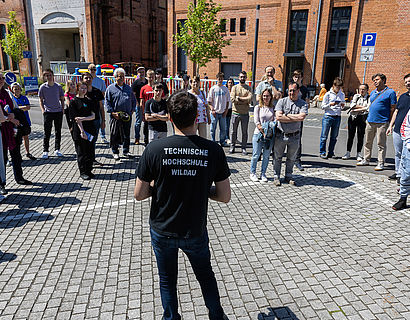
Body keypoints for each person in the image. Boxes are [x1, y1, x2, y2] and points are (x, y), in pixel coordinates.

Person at [134, 90, 231, 320]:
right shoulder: (212, 150)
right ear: (197, 116)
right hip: (194, 230)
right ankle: (217, 316)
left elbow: (139, 194)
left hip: (163, 228)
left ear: (169, 116)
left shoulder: (154, 150)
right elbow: (224, 196)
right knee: (205, 276)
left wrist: (159, 186)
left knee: (167, 280)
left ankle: (171, 318)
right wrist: (203, 189)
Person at [357, 73, 397, 170]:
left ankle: (380, 162)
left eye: (377, 80)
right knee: (367, 142)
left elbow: (393, 108)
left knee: (381, 143)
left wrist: (390, 122)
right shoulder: (373, 93)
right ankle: (366, 159)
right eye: (374, 80)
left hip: (382, 122)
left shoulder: (390, 92)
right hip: (370, 121)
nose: (375, 82)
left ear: (383, 80)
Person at [0, 72, 32, 189]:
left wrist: (12, 115)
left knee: (16, 155)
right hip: (1, 129)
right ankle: (1, 184)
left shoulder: (6, 93)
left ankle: (19, 178)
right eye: (0, 78)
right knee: (2, 158)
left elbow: (14, 108)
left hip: (11, 129)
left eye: (2, 78)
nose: (1, 80)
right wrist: (9, 117)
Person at [274, 81, 308, 186]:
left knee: (291, 158)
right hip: (281, 135)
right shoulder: (282, 101)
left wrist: (286, 116)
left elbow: (301, 117)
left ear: (298, 91)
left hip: (294, 136)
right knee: (277, 157)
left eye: (294, 90)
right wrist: (294, 117)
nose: (291, 92)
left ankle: (288, 176)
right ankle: (276, 176)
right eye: (290, 90)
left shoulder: (303, 104)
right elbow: (278, 117)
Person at [105, 68, 136, 160]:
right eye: (119, 76)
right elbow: (107, 101)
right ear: (115, 77)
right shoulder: (110, 88)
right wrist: (112, 112)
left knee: (126, 134)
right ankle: (115, 151)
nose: (121, 78)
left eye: (123, 76)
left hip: (127, 115)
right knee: (115, 134)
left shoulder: (128, 88)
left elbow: (133, 100)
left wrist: (133, 110)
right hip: (115, 116)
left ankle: (126, 151)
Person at [68, 81, 96, 180]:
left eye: (85, 88)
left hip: (90, 129)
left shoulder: (89, 100)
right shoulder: (73, 102)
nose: (83, 90)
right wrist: (82, 131)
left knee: (89, 151)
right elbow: (76, 119)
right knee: (81, 152)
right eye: (81, 88)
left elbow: (93, 116)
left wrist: (83, 118)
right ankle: (83, 171)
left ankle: (89, 170)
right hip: (79, 131)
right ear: (77, 88)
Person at [387, 73, 410, 183]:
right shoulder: (402, 97)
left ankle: (405, 175)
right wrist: (391, 125)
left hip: (408, 131)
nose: (407, 83)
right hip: (398, 129)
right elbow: (396, 111)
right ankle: (398, 173)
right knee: (398, 153)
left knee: (407, 154)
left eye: (409, 81)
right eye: (406, 82)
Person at [249, 88, 275, 183]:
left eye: (267, 96)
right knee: (256, 155)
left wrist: (268, 133)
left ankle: (263, 173)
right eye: (264, 95)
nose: (265, 97)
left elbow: (274, 121)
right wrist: (263, 132)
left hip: (269, 136)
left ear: (271, 97)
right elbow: (257, 122)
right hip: (258, 134)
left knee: (266, 156)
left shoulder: (273, 108)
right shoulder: (258, 107)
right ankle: (252, 173)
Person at [38, 69, 65, 159]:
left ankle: (57, 149)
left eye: (50, 75)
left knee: (58, 131)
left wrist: (62, 109)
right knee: (47, 132)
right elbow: (41, 100)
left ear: (53, 75)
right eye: (46, 75)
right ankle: (45, 150)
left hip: (58, 112)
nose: (48, 77)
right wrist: (43, 110)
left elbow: (62, 99)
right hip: (48, 112)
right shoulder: (42, 87)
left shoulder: (58, 87)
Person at [82, 72, 105, 166]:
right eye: (86, 78)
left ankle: (92, 159)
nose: (88, 79)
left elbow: (101, 107)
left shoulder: (97, 91)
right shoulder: (81, 91)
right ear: (82, 80)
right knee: (85, 141)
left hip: (95, 121)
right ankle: (85, 160)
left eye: (89, 78)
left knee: (93, 141)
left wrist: (103, 121)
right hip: (84, 121)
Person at [342, 84, 370, 161]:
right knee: (350, 136)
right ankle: (348, 152)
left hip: (362, 118)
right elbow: (352, 105)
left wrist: (356, 108)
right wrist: (362, 108)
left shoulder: (368, 98)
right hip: (353, 118)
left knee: (360, 136)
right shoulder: (356, 96)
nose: (361, 91)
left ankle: (359, 153)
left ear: (367, 90)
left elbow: (368, 108)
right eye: (360, 89)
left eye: (363, 89)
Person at [319, 77, 345, 159]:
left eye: (340, 87)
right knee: (324, 136)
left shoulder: (342, 94)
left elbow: (343, 106)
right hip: (328, 116)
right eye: (337, 87)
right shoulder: (328, 94)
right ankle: (322, 152)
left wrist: (342, 106)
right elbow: (322, 106)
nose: (338, 89)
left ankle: (331, 152)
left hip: (337, 116)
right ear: (333, 86)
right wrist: (330, 105)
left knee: (334, 136)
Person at [10, 82, 36, 160]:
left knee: (26, 137)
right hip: (16, 122)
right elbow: (11, 109)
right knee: (16, 139)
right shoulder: (11, 99)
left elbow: (28, 107)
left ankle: (28, 153)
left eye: (18, 89)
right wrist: (21, 108)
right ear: (12, 90)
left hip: (25, 120)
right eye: (15, 89)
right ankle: (17, 155)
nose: (17, 90)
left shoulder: (24, 98)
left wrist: (17, 108)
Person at [290, 70, 309, 170]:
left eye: (298, 76)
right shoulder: (290, 88)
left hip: (298, 118)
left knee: (297, 139)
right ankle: (288, 159)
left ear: (301, 77)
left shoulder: (304, 90)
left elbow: (307, 104)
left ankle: (297, 160)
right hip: (289, 116)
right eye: (295, 76)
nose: (296, 78)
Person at [230, 71, 252, 155]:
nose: (242, 78)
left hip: (245, 114)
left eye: (244, 77)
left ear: (246, 78)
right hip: (235, 113)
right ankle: (232, 146)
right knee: (233, 131)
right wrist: (244, 100)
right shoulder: (234, 88)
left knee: (244, 132)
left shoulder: (248, 88)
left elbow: (250, 98)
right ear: (239, 77)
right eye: (241, 77)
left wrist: (239, 99)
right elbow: (232, 99)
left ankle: (244, 148)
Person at [392, 107, 410, 210]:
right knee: (406, 173)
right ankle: (403, 199)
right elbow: (405, 127)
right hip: (409, 149)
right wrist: (408, 143)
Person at [208, 72, 230, 146]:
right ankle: (212, 142)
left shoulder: (225, 89)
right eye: (219, 78)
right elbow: (209, 101)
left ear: (223, 79)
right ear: (217, 79)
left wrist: (226, 110)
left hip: (223, 112)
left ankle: (222, 142)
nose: (220, 80)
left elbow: (228, 101)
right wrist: (212, 109)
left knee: (223, 129)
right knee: (212, 129)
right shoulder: (213, 89)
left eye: (221, 78)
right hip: (214, 113)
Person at [88, 63, 108, 144]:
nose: (92, 71)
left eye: (94, 69)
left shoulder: (101, 81)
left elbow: (103, 92)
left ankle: (103, 136)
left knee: (101, 119)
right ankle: (91, 136)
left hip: (99, 103)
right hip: (89, 104)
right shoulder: (87, 81)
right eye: (91, 69)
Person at [140, 70, 160, 145]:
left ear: (154, 77)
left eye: (152, 77)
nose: (151, 79)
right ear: (147, 77)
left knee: (156, 129)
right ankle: (146, 143)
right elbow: (141, 102)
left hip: (156, 112)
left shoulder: (158, 87)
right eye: (149, 77)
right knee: (146, 129)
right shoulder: (143, 88)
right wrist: (142, 114)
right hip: (147, 112)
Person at [131, 66, 147, 145]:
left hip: (147, 105)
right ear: (137, 73)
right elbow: (133, 95)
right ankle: (137, 138)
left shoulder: (147, 81)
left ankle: (146, 138)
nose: (141, 73)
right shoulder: (135, 83)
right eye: (140, 72)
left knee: (146, 122)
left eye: (143, 72)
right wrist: (137, 104)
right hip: (139, 105)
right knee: (138, 122)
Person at [225, 78, 235, 143]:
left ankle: (233, 138)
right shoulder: (225, 91)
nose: (230, 84)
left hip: (233, 109)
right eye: (229, 83)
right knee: (226, 125)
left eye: (231, 83)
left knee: (233, 125)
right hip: (227, 109)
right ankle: (226, 137)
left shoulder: (234, 91)